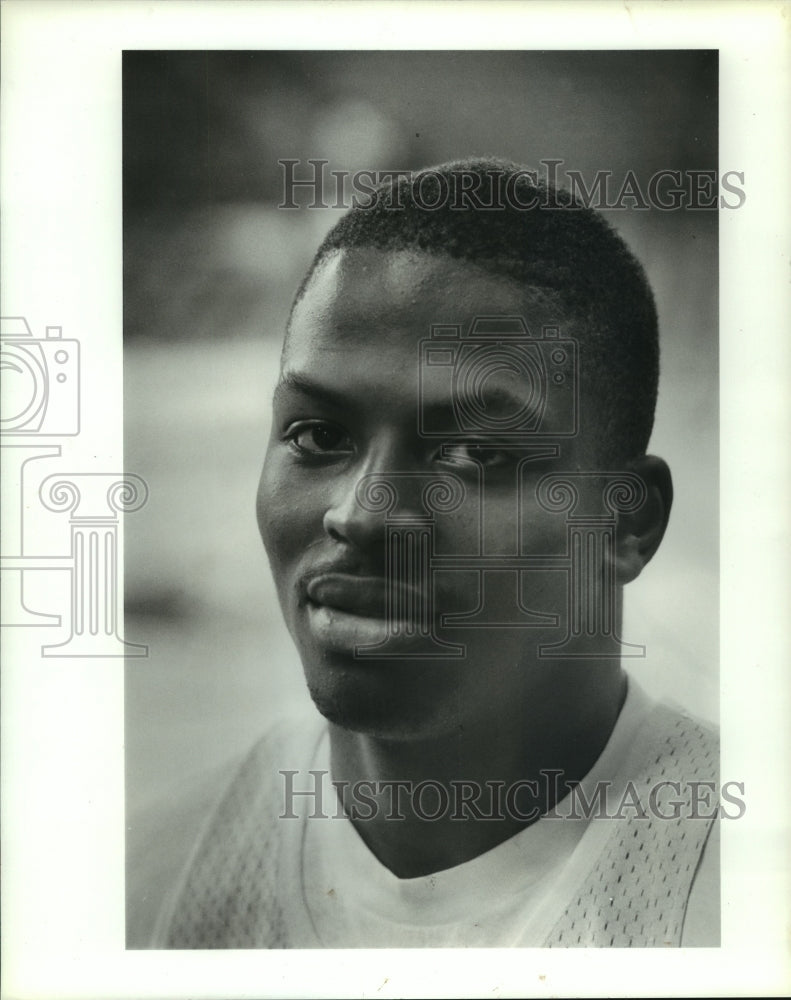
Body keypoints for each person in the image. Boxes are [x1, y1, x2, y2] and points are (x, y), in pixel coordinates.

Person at [157, 159, 719, 948]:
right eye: (318, 436)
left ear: (627, 523)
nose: (362, 513)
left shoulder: (746, 896)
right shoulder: (142, 889)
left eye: (475, 455)